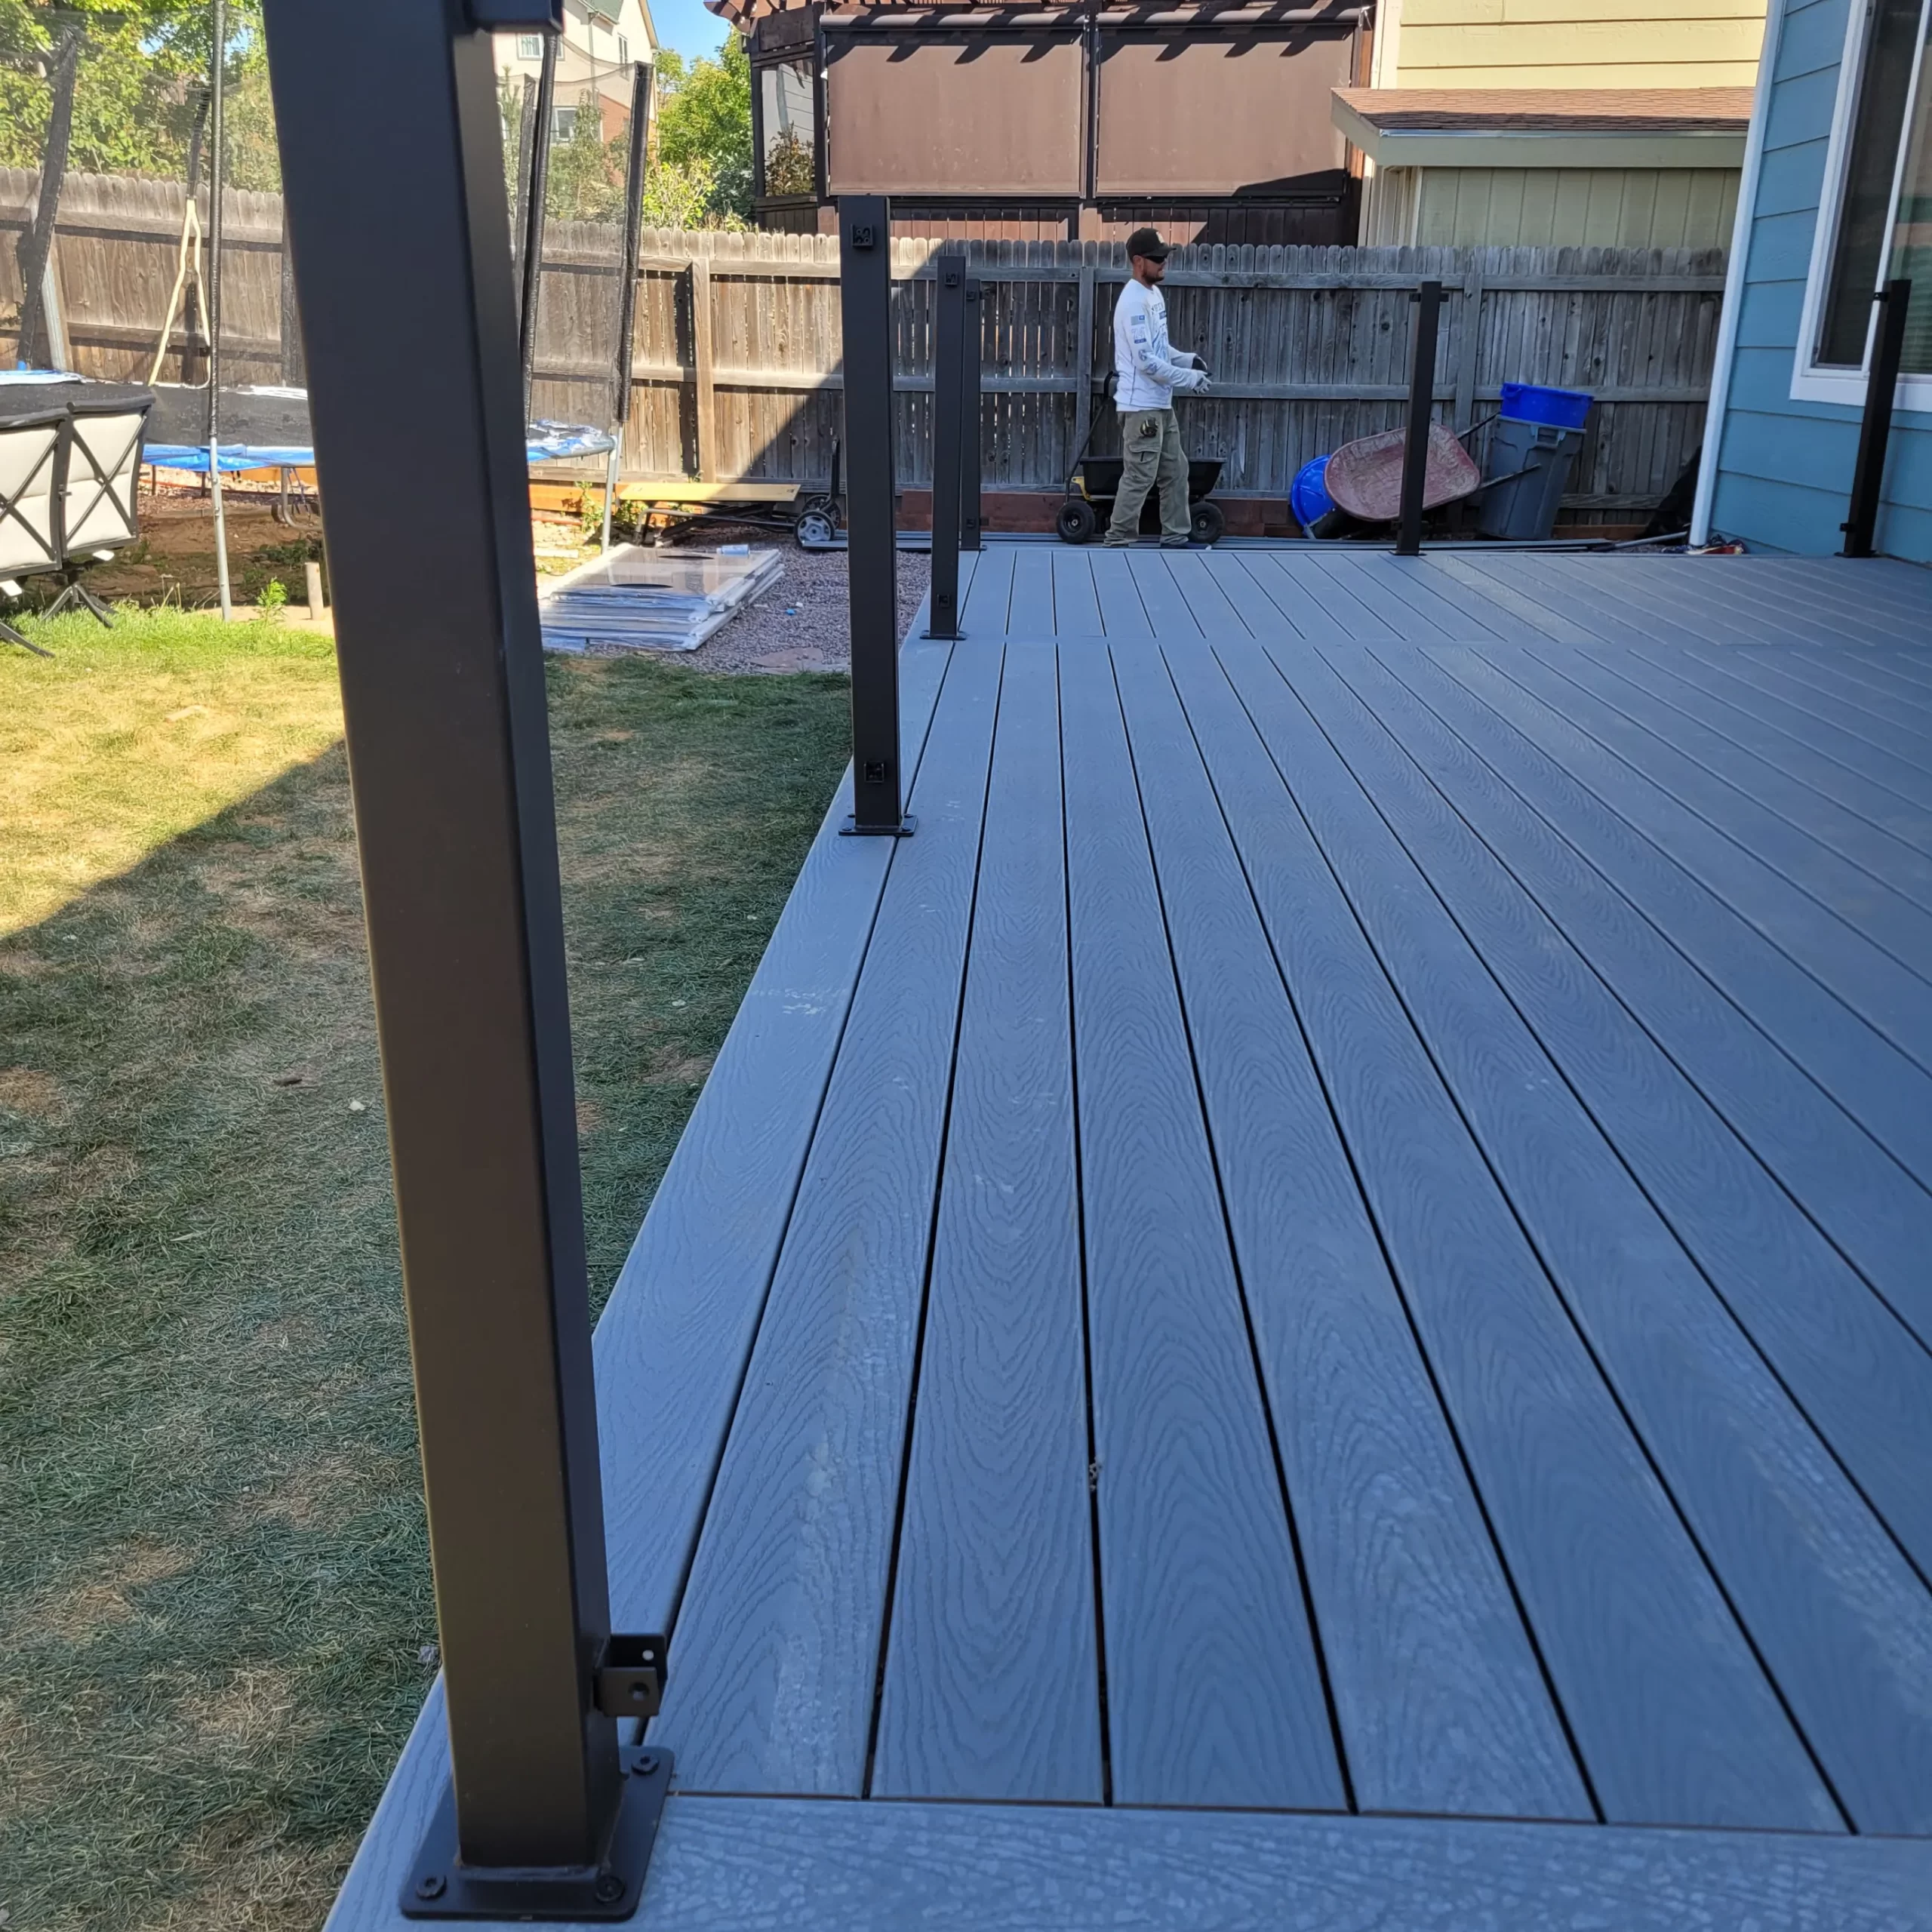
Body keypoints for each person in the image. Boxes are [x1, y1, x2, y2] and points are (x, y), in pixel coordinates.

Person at [1105, 227, 1210, 547]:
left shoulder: (1153, 294)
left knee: (1176, 472)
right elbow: (1147, 362)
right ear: (1139, 262)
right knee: (1139, 477)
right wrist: (1189, 379)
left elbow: (1161, 349)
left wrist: (1187, 359)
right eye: (1158, 258)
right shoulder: (1132, 303)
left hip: (1161, 405)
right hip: (1141, 409)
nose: (1164, 262)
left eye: (1165, 256)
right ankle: (1118, 541)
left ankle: (1176, 537)